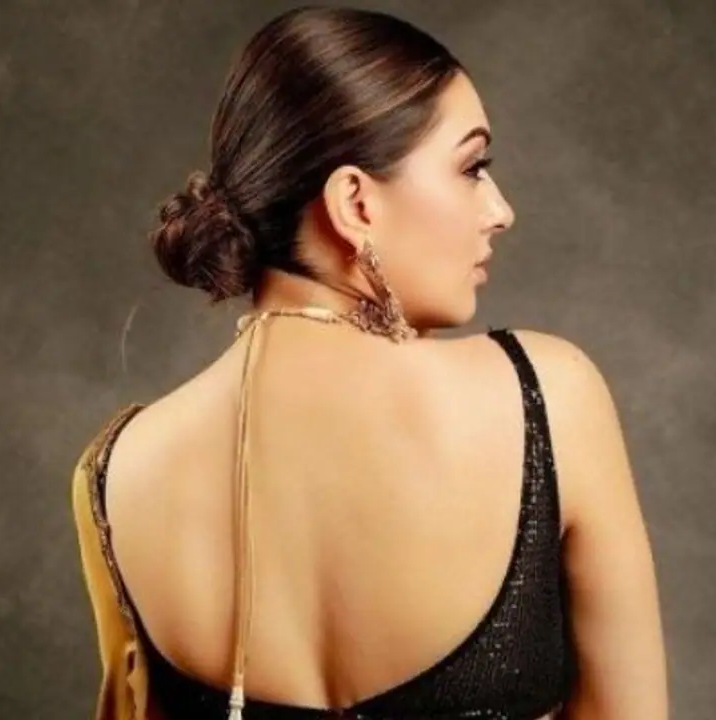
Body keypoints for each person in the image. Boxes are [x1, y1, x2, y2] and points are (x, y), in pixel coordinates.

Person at [71, 6, 668, 719]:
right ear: (355, 203)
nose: (500, 210)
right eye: (472, 167)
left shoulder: (114, 471)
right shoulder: (545, 395)